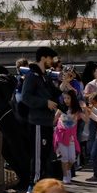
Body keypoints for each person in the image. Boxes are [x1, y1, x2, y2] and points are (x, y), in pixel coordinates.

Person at [21, 46, 62, 185]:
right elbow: (25, 97)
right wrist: (45, 103)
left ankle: (41, 183)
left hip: (46, 121)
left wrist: (65, 83)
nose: (52, 61)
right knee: (38, 156)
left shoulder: (45, 77)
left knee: (44, 155)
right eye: (51, 58)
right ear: (43, 57)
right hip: (38, 121)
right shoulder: (32, 76)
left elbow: (55, 94)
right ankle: (34, 184)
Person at [54, 89, 83, 183]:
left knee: (72, 158)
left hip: (71, 137)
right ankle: (65, 176)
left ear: (72, 98)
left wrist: (86, 109)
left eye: (68, 98)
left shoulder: (77, 110)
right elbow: (53, 120)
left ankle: (68, 170)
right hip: (61, 136)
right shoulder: (60, 109)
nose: (66, 100)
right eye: (64, 98)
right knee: (65, 157)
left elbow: (86, 120)